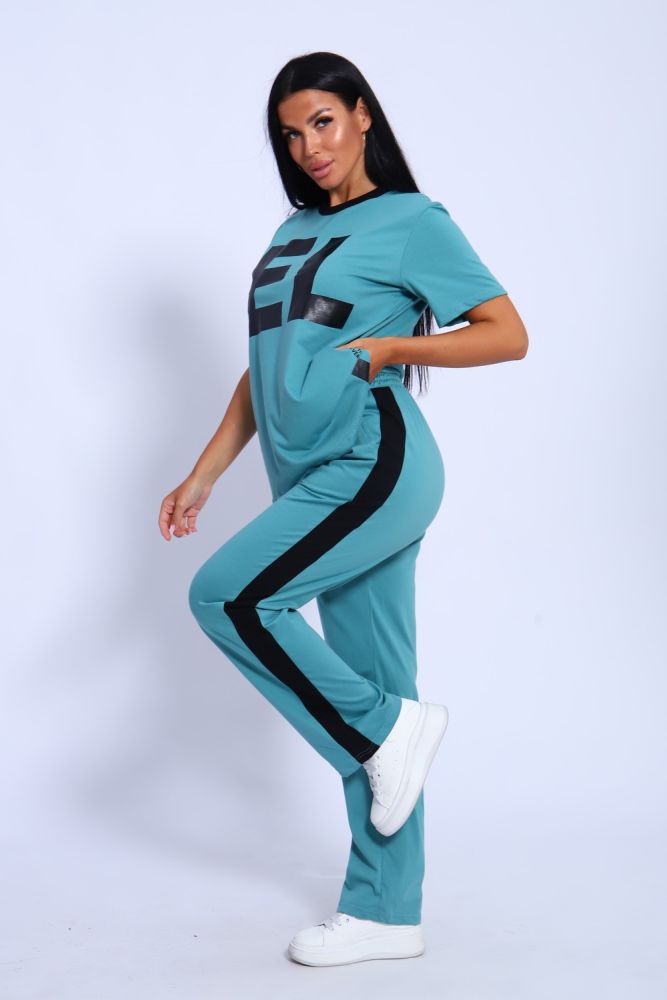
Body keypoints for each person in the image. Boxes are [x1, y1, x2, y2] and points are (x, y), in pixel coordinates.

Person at [158, 51, 528, 968]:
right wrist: (205, 473)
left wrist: (389, 350)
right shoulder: (291, 230)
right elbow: (266, 363)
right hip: (306, 476)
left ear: (362, 114)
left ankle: (389, 734)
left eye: (321, 121)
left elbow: (506, 334)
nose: (308, 146)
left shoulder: (411, 221)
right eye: (290, 134)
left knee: (229, 596)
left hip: (374, 461)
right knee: (371, 679)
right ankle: (386, 911)